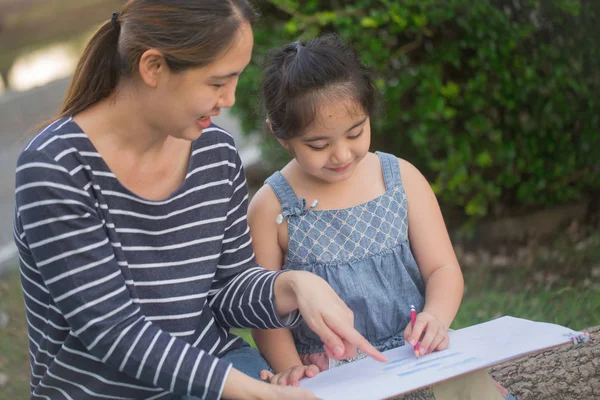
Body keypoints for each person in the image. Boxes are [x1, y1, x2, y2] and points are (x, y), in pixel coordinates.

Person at [13, 3, 386, 399]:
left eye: (237, 79)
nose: (229, 99)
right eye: (217, 82)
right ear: (153, 67)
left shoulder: (215, 152)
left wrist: (294, 286)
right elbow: (113, 330)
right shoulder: (56, 167)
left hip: (217, 370)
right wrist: (249, 391)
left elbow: (228, 289)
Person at [248, 35, 514, 400]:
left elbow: (442, 269)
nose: (341, 154)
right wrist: (290, 367)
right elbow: (264, 310)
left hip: (416, 355)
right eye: (318, 145)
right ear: (280, 136)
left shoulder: (399, 178)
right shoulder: (270, 207)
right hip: (335, 372)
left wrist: (434, 318)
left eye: (355, 132)